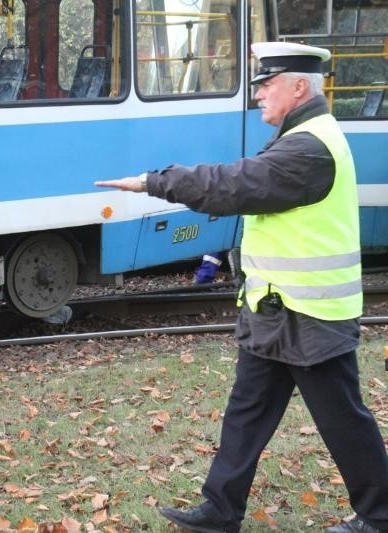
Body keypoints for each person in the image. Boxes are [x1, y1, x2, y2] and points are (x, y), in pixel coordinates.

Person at [95, 42, 388, 533]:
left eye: (266, 85)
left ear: (299, 87)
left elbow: (234, 185)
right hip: (276, 308)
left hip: (310, 315)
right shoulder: (300, 134)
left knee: (342, 419)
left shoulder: (309, 146)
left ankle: (381, 514)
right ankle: (219, 511)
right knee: (247, 413)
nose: (257, 96)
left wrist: (154, 182)